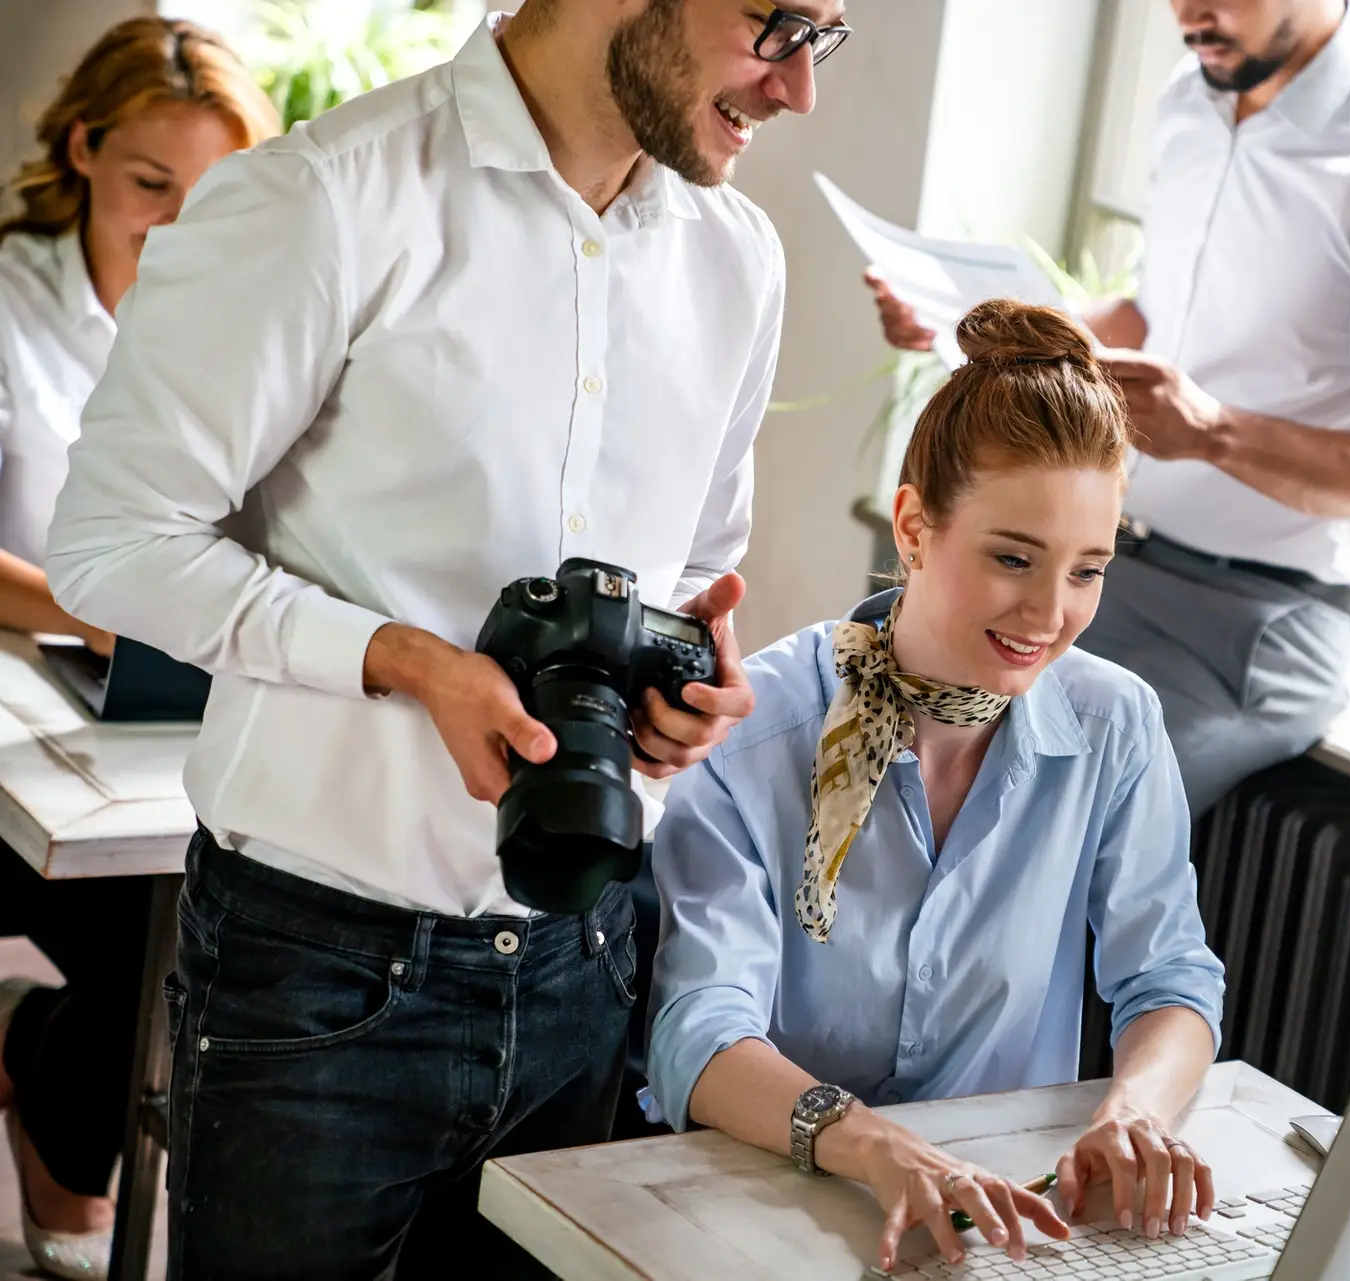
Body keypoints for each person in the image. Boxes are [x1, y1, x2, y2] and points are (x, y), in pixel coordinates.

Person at [45, 2, 848, 1275]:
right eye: (781, 23)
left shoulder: (738, 256)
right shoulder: (322, 200)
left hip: (589, 958)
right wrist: (404, 661)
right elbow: (112, 543)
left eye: (828, 36)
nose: (800, 90)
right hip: (315, 973)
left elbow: (696, 567)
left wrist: (684, 688)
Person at [646, 300, 1227, 1275]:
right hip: (771, 1203)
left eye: (1087, 571)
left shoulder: (1115, 724)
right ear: (914, 526)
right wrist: (875, 1146)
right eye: (1013, 559)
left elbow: (1168, 978)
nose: (1050, 613)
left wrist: (1133, 1113)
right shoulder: (755, 728)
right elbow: (697, 1032)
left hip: (1009, 1228)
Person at [868, 0, 1350, 813]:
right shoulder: (1190, 100)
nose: (1191, 12)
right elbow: (1158, 317)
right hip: (1107, 569)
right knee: (869, 728)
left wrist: (1213, 434)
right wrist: (983, 325)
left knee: (1026, 816)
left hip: (1257, 623)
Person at [0, 18, 279, 1279]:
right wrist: (104, 606)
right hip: (26, 698)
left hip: (155, 701)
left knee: (207, 928)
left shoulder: (242, 327)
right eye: (149, 183)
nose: (174, 225)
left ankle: (42, 1066)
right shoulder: (13, 301)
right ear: (83, 151)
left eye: (206, 196)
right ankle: (59, 1128)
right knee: (135, 945)